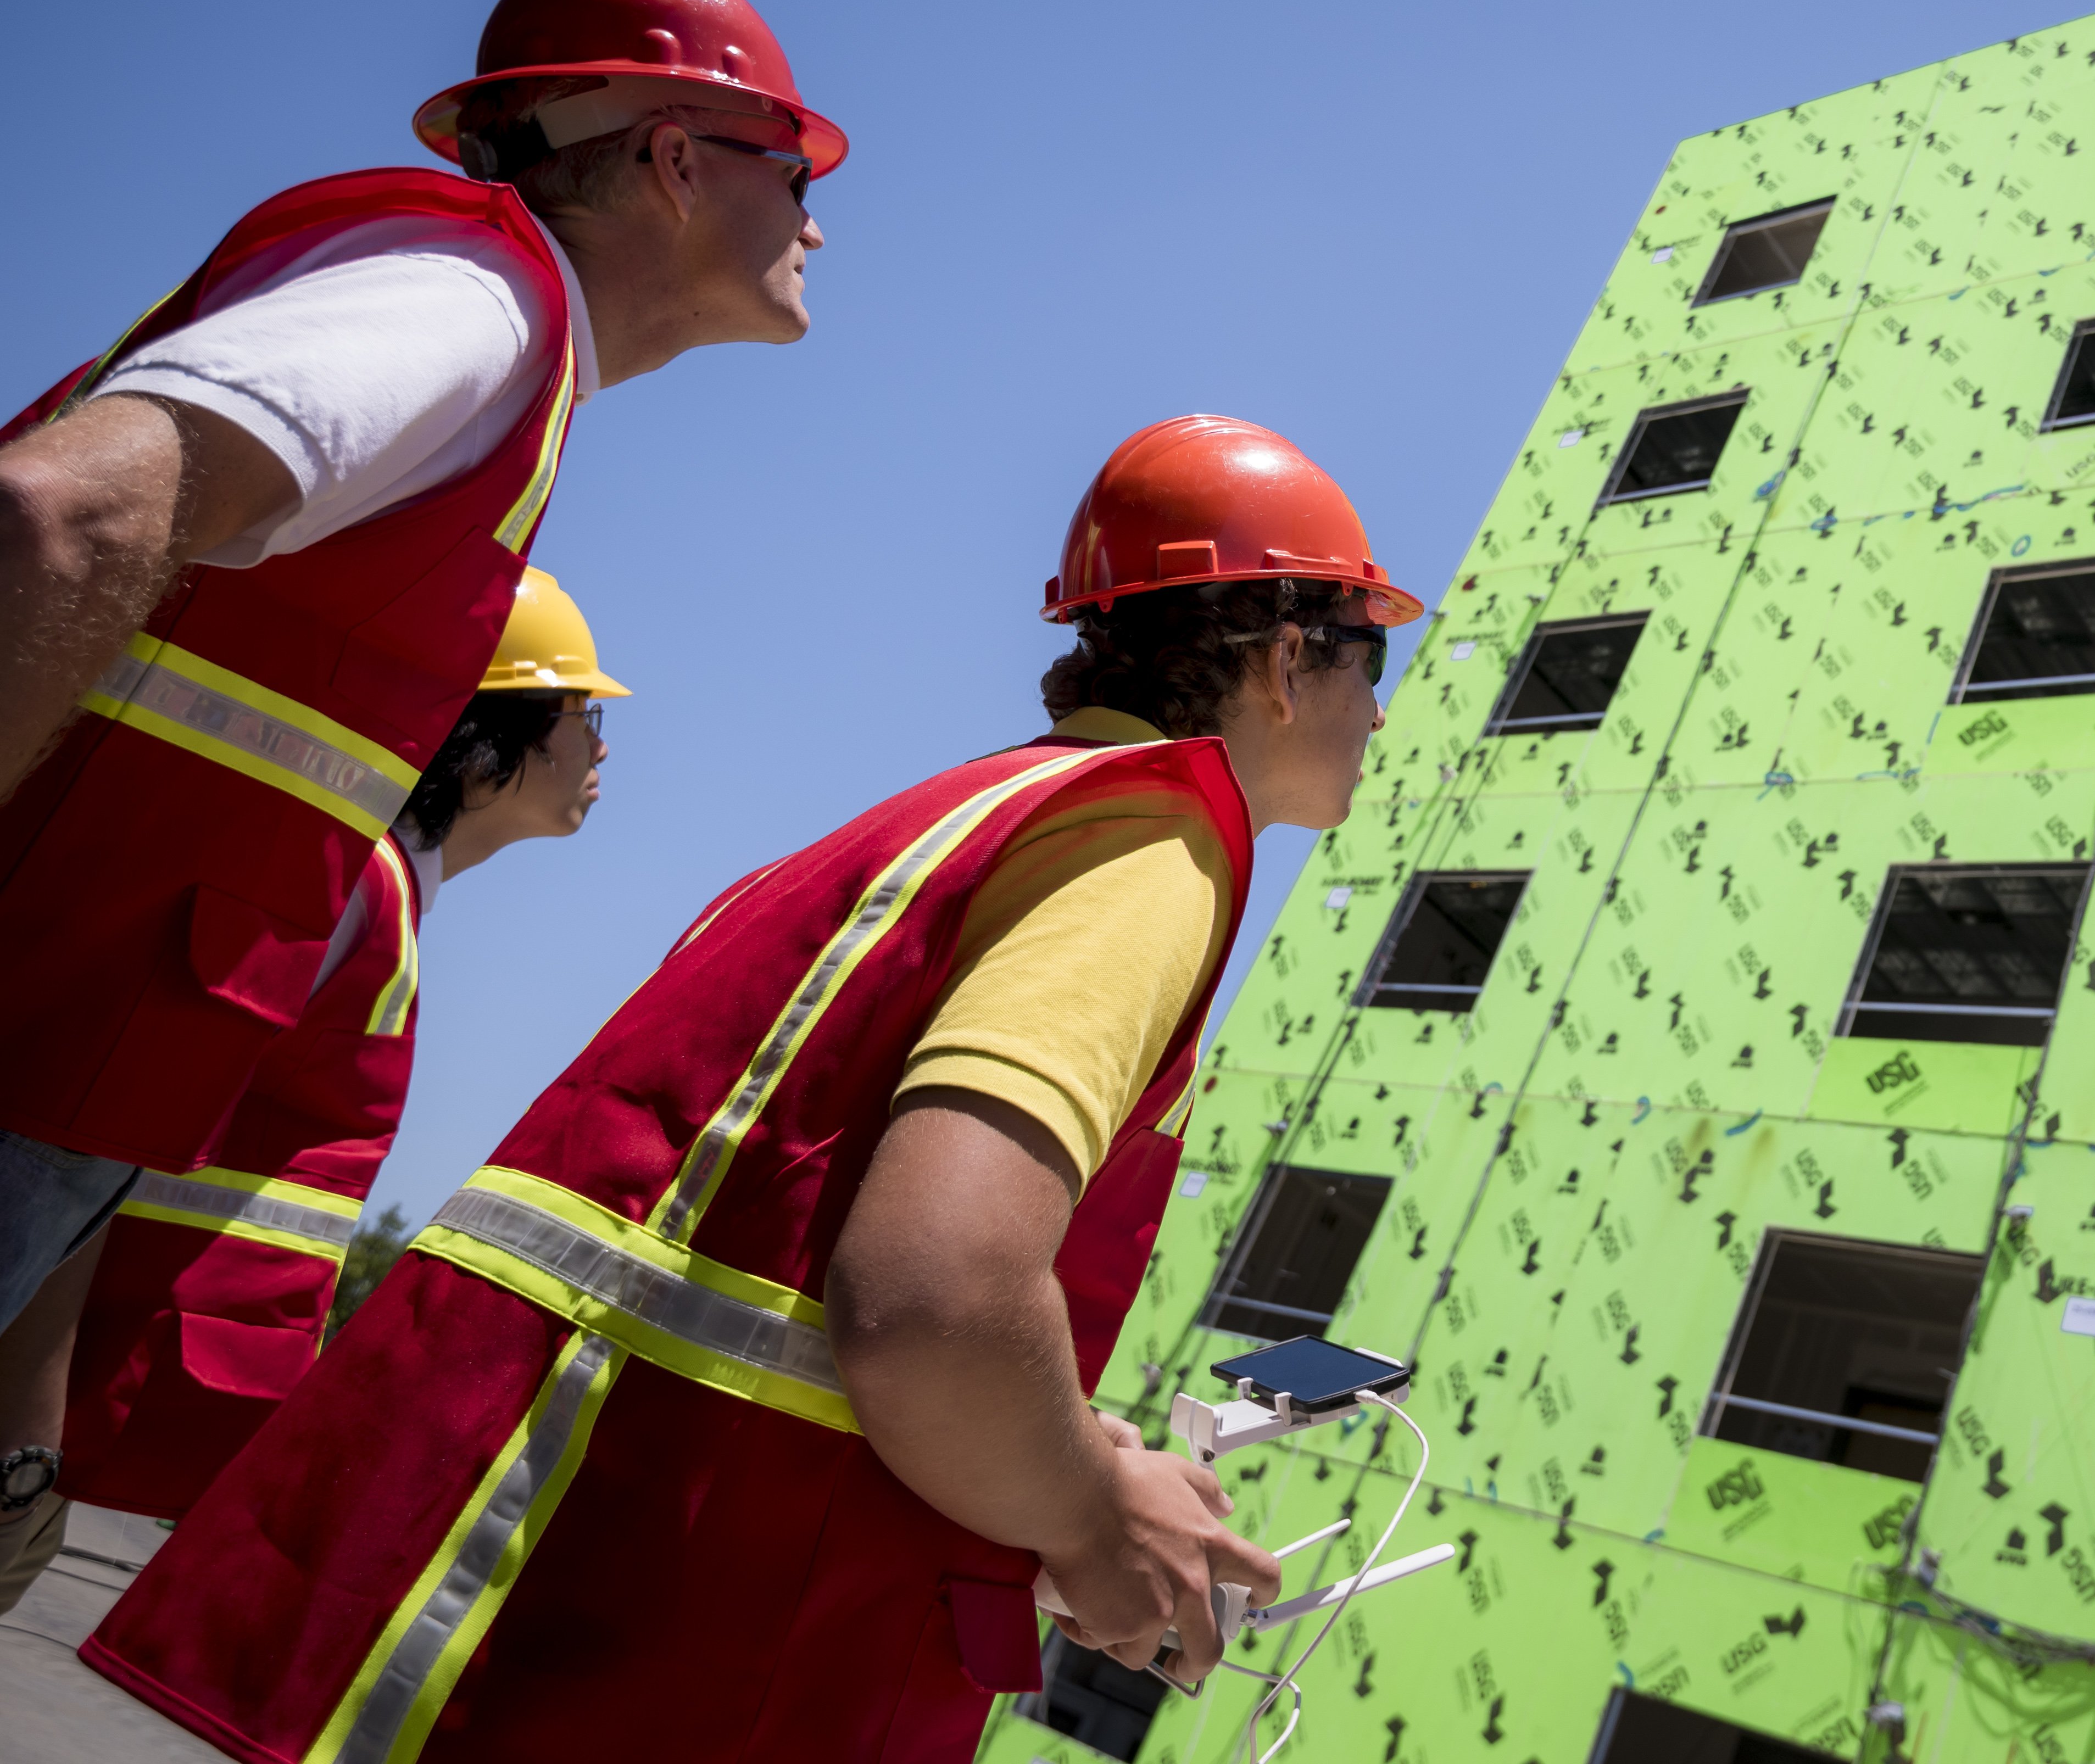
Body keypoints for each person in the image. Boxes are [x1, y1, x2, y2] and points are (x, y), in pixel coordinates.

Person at [86, 416, 1418, 1763]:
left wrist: (1054, 1446)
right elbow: (932, 1300)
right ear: (1288, 657)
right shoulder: (1152, 843)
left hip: (466, 1575)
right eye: (1375, 657)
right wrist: (1092, 1518)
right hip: (678, 1634)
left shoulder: (941, 822)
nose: (1381, 710)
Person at [0, 0, 840, 1334]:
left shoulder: (495, 334)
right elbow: (62, 517)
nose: (817, 227)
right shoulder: (470, 307)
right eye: (797, 175)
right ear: (677, 161)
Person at [0, 567, 629, 1609]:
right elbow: (93, 1131)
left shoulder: (378, 900)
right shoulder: (342, 892)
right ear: (486, 739)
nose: (603, 744)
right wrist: (22, 1433)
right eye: (582, 711)